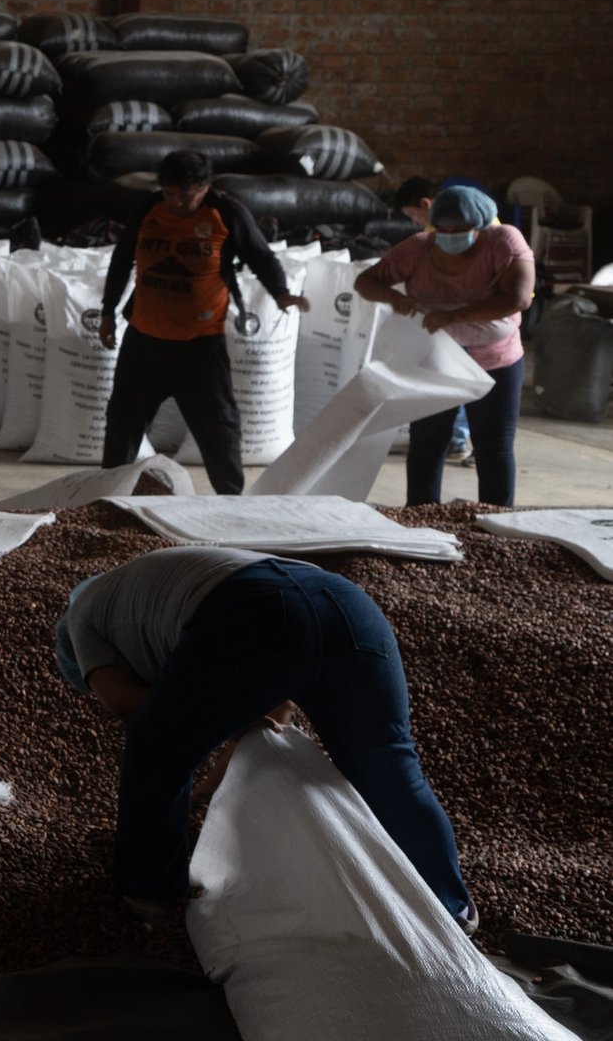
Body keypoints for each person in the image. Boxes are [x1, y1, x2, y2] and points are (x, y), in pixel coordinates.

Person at [55, 548, 474, 930]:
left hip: (252, 612)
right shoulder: (158, 591)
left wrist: (181, 730)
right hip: (348, 604)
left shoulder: (82, 615)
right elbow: (269, 714)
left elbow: (126, 703)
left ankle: (150, 892)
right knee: (388, 764)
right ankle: (450, 908)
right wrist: (203, 792)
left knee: (154, 748)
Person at [97, 150, 304, 495]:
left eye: (186, 194)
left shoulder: (226, 213)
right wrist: (108, 311)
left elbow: (260, 255)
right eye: (170, 193)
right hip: (144, 342)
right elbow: (122, 260)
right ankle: (104, 499)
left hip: (200, 348)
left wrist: (281, 293)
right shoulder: (149, 209)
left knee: (219, 429)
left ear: (206, 187)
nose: (177, 202)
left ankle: (231, 503)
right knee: (122, 424)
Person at [354, 185, 534, 508]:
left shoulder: (503, 241)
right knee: (427, 443)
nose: (450, 235)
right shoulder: (419, 248)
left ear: (479, 227)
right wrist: (397, 298)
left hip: (496, 360)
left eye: (460, 229)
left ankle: (496, 524)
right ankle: (422, 517)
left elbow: (519, 298)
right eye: (444, 229)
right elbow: (365, 282)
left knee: (493, 447)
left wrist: (455, 316)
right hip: (435, 360)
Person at [391, 177, 474, 466]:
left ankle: (459, 438)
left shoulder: (465, 229)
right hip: (454, 318)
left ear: (426, 204)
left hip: (469, 321)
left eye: (413, 215)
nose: (415, 222)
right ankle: (455, 438)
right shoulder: (434, 232)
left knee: (456, 374)